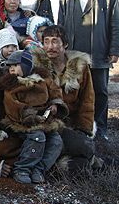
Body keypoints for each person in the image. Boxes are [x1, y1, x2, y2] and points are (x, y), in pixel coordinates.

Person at [58, 0, 119, 141]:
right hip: (74, 56)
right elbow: (60, 26)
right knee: (73, 91)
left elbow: (115, 23)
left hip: (99, 53)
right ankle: (78, 128)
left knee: (100, 92)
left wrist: (115, 48)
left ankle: (100, 129)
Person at [0, 50, 67, 184]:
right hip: (22, 121)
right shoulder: (11, 84)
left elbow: (55, 91)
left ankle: (39, 168)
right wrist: (30, 115)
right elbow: (12, 105)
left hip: (45, 118)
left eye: (15, 66)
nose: (12, 69)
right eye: (10, 67)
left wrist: (55, 104)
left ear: (26, 65)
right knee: (38, 137)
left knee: (56, 141)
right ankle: (23, 168)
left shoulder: (43, 78)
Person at [42, 25, 100, 171]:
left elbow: (87, 100)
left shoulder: (80, 67)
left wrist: (83, 130)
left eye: (55, 41)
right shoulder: (38, 66)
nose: (50, 46)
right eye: (46, 41)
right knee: (84, 154)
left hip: (72, 124)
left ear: (65, 44)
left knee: (85, 148)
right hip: (48, 125)